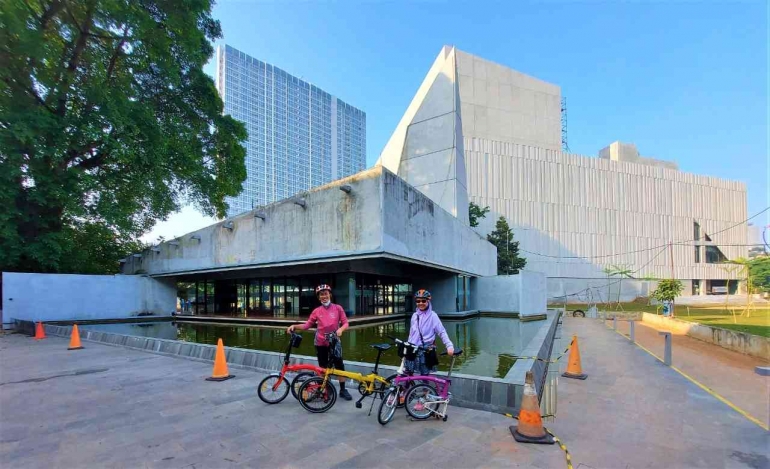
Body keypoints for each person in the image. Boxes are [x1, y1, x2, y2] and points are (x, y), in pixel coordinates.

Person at [286, 284, 352, 400]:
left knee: (339, 366)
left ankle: (343, 389)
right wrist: (294, 326)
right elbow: (307, 325)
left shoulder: (338, 308)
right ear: (319, 297)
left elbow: (346, 323)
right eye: (321, 294)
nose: (324, 296)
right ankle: (326, 389)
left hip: (334, 342)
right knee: (322, 367)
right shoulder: (317, 311)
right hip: (320, 342)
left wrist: (341, 329)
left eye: (326, 293)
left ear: (330, 294)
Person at [405, 289, 454, 376]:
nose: (421, 303)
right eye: (418, 301)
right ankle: (407, 389)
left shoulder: (433, 316)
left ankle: (426, 390)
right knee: (408, 373)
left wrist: (449, 345)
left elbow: (442, 332)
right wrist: (407, 345)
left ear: (428, 301)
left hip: (425, 350)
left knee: (425, 376)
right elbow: (411, 333)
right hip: (412, 349)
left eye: (423, 301)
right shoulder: (414, 316)